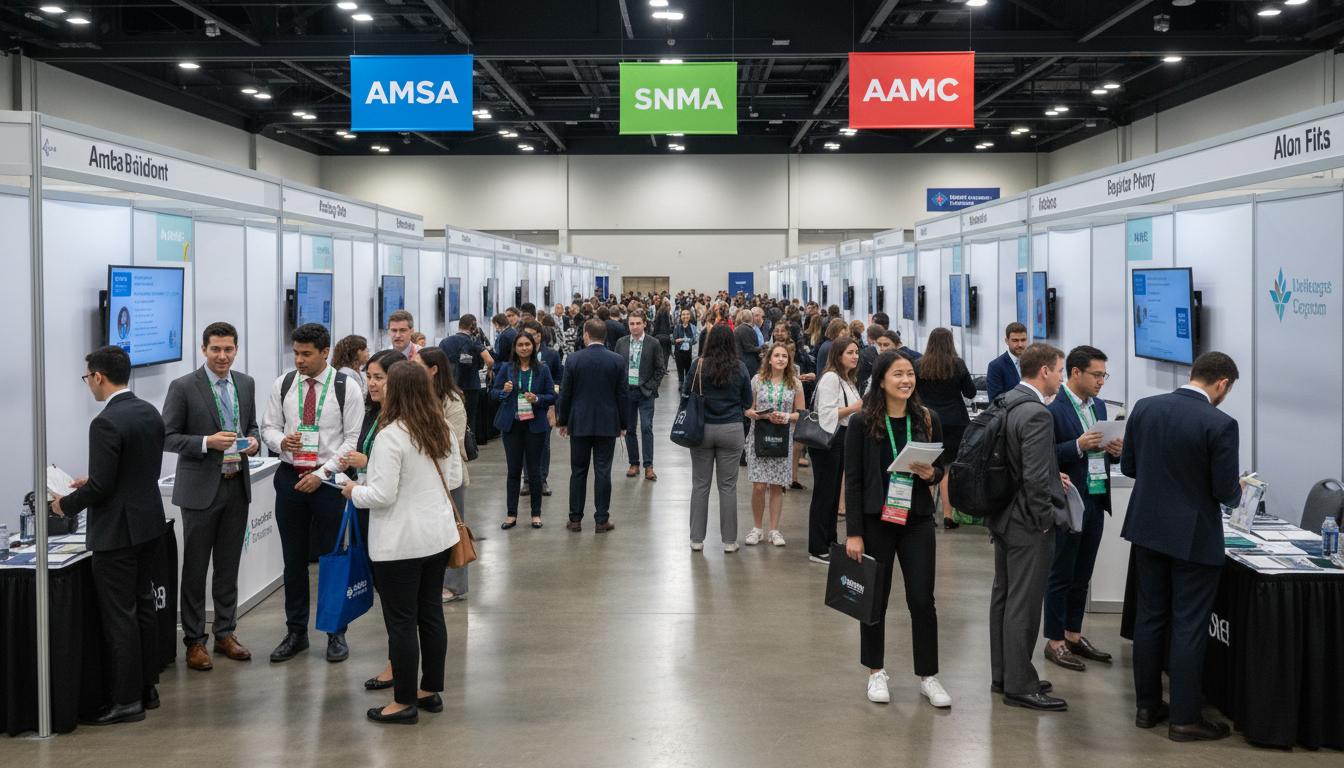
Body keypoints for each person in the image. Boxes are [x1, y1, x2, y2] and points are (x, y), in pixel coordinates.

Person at [1121, 351, 1242, 742]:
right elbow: (1225, 493)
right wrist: (1236, 488)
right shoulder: (1221, 424)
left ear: (1192, 373)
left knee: (1150, 617)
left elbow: (1129, 467)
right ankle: (1185, 718)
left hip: (1147, 529)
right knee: (1189, 625)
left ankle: (1147, 706)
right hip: (1193, 537)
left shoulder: (1145, 407)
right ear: (1222, 384)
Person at [52, 346, 167, 726]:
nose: (88, 385)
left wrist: (65, 505)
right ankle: (147, 688)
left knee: (120, 618)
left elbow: (100, 487)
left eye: (87, 378)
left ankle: (124, 701)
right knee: (144, 607)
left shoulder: (104, 422)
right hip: (149, 524)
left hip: (116, 534)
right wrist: (97, 483)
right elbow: (133, 472)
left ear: (98, 376)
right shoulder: (148, 411)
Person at [343, 362, 461, 725]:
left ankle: (403, 702)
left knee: (401, 623)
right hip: (438, 538)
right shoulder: (441, 428)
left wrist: (352, 491)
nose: (377, 387)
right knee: (430, 615)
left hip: (399, 545)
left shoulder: (390, 436)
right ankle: (430, 690)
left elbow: (381, 494)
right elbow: (453, 477)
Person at [843, 351, 949, 709]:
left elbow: (942, 466)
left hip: (917, 519)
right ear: (882, 380)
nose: (906, 380)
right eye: (898, 374)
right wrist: (853, 532)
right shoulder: (861, 423)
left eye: (910, 374)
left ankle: (928, 676)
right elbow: (853, 480)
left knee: (923, 600)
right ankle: (876, 671)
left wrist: (933, 474)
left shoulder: (927, 418)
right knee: (875, 600)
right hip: (876, 521)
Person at [260, 323, 365, 664]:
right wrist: (280, 442)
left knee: (332, 559)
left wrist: (322, 474)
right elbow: (268, 427)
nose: (299, 360)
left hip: (330, 483)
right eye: (296, 353)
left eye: (306, 354)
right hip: (290, 478)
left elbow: (352, 440)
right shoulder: (285, 384)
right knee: (293, 560)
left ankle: (336, 633)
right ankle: (296, 632)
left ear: (324, 352)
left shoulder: (345, 387)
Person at [160, 322, 261, 672]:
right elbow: (168, 436)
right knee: (196, 568)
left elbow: (250, 427)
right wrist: (206, 443)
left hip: (236, 484)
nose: (222, 356)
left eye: (228, 349)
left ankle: (225, 633)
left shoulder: (245, 383)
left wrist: (254, 441)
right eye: (215, 349)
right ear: (204, 349)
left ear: (236, 350)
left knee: (228, 567)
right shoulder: (183, 386)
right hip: (201, 489)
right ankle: (194, 641)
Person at [989, 342, 1069, 712]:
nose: (1061, 378)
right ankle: (1020, 685)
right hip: (1027, 522)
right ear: (1045, 372)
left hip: (1003, 514)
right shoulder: (1038, 413)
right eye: (1060, 371)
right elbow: (1035, 479)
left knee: (1004, 598)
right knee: (1024, 603)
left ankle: (1005, 673)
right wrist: (1044, 520)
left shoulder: (1006, 400)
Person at [1042, 345, 1123, 673]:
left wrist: (1114, 450)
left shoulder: (1100, 406)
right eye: (1096, 374)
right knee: (1061, 572)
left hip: (1097, 496)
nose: (1102, 381)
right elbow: (1045, 454)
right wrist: (1078, 445)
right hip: (1068, 500)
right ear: (1075, 373)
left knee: (1083, 573)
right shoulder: (1053, 409)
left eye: (1104, 375)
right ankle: (1054, 641)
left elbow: (1104, 451)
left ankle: (1073, 634)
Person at [337, 349, 411, 691]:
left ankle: (401, 668)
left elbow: (395, 474)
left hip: (393, 517)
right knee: (387, 594)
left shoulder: (405, 420)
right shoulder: (373, 414)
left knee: (400, 603)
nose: (371, 384)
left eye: (379, 377)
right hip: (369, 513)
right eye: (368, 377)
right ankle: (399, 662)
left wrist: (365, 462)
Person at [685, 324, 754, 552]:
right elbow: (747, 401)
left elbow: (686, 393)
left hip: (701, 430)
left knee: (700, 485)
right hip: (731, 430)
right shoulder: (740, 367)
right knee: (728, 487)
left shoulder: (698, 365)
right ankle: (729, 541)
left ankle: (696, 539)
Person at [413, 346, 473, 602]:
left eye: (418, 366)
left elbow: (452, 444)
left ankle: (455, 586)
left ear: (433, 369)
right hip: (425, 477)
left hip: (451, 477)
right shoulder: (419, 395)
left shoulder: (452, 400)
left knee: (454, 529)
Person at [557, 319, 628, 533]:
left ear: (586, 335)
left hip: (579, 423)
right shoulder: (617, 360)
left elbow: (566, 393)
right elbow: (623, 395)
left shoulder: (573, 359)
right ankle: (601, 520)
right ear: (604, 337)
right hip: (608, 423)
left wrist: (563, 421)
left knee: (578, 471)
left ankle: (575, 519)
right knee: (603, 472)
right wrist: (623, 424)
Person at [492, 330, 556, 529]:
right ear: (515, 348)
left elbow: (552, 396)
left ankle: (535, 514)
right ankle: (511, 515)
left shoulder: (542, 370)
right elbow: (493, 393)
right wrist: (504, 392)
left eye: (527, 344)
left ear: (533, 346)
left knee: (535, 472)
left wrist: (536, 399)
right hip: (512, 426)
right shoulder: (507, 368)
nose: (524, 348)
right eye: (520, 345)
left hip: (535, 425)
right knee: (513, 471)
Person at [915, 328, 977, 529]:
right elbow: (971, 392)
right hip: (955, 421)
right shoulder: (958, 365)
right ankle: (949, 516)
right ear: (950, 343)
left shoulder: (919, 365)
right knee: (949, 468)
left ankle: (929, 515)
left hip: (927, 420)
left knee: (928, 466)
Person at [807, 338, 862, 565]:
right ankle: (818, 547)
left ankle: (830, 541)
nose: (855, 356)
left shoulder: (846, 379)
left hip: (843, 438)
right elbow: (827, 413)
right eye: (850, 352)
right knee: (824, 494)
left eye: (857, 352)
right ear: (839, 356)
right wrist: (856, 408)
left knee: (831, 494)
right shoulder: (831, 378)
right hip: (829, 439)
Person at [744, 342, 804, 547]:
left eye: (784, 356)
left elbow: (801, 414)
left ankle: (774, 530)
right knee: (759, 486)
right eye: (777, 355)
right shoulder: (757, 381)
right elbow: (748, 410)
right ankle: (757, 528)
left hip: (782, 438)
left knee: (777, 486)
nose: (780, 359)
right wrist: (761, 415)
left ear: (788, 361)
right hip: (759, 436)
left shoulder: (795, 384)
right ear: (769, 359)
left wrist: (786, 416)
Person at [616, 309, 667, 481]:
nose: (635, 327)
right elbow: (616, 368)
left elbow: (660, 368)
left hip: (645, 392)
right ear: (628, 324)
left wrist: (651, 387)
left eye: (638, 323)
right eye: (632, 323)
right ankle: (634, 463)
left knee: (646, 427)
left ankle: (649, 466)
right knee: (629, 429)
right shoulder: (621, 343)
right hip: (627, 392)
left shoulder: (654, 343)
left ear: (645, 324)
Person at [438, 314, 494, 448]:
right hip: (470, 385)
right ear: (473, 325)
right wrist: (488, 369)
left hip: (450, 386)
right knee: (469, 418)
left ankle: (451, 446)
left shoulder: (445, 342)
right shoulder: (474, 341)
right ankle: (469, 447)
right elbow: (490, 360)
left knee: (449, 416)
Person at [986, 322, 1029, 401]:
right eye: (1015, 341)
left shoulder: (1033, 363)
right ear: (1007, 341)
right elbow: (996, 401)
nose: (1020, 344)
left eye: (1023, 340)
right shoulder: (996, 366)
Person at [672, 308, 698, 385]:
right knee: (680, 369)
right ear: (680, 316)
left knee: (688, 369)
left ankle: (687, 384)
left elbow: (695, 340)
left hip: (688, 352)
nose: (685, 316)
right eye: (683, 314)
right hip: (679, 352)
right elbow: (674, 339)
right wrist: (678, 341)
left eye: (687, 314)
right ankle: (680, 382)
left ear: (690, 316)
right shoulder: (677, 327)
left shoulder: (693, 327)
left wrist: (686, 340)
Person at [652, 297, 673, 363]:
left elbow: (656, 326)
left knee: (658, 354)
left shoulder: (659, 314)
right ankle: (664, 368)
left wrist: (652, 335)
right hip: (666, 337)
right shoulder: (669, 316)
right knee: (666, 354)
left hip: (658, 336)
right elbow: (670, 327)